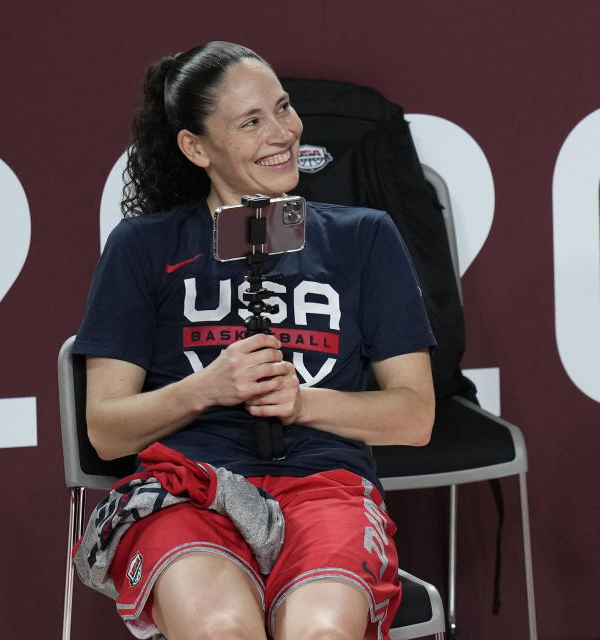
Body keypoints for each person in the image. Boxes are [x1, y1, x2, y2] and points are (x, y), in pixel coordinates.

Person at [73, 41, 436, 640]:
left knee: (319, 635)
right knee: (223, 631)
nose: (283, 132)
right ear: (195, 147)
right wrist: (207, 389)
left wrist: (304, 403)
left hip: (327, 488)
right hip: (187, 488)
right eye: (251, 122)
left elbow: (415, 416)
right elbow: (106, 431)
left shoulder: (363, 237)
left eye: (284, 108)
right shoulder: (143, 246)